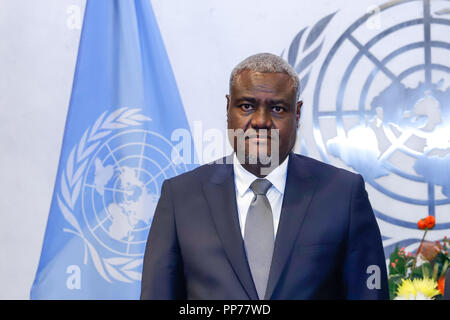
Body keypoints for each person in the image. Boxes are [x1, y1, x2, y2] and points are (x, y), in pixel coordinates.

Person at [140, 53, 389, 300]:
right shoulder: (181, 196)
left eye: (278, 108)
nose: (261, 121)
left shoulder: (343, 194)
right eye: (247, 106)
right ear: (228, 108)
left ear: (297, 114)